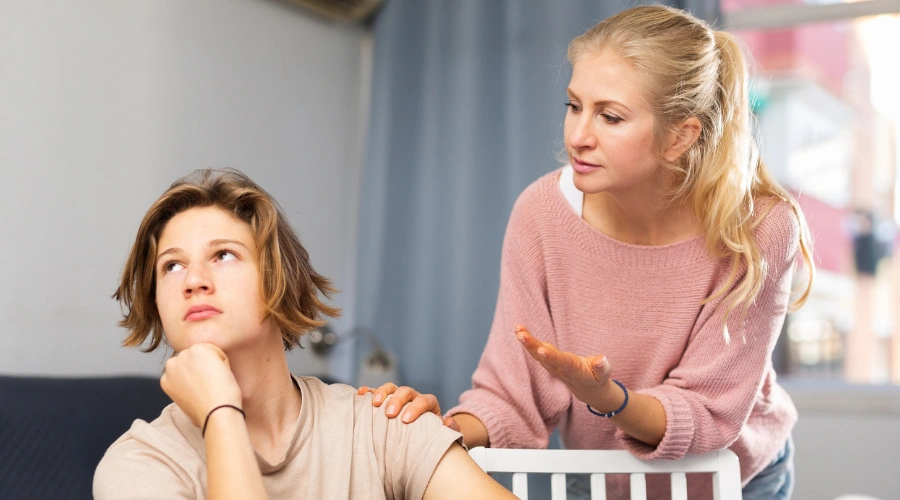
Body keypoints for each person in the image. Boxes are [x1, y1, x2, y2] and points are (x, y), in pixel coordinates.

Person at [360, 5, 814, 499]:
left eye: (610, 116)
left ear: (680, 137)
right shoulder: (541, 214)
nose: (578, 136)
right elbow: (512, 396)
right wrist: (432, 432)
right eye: (574, 106)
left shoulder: (760, 228)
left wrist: (607, 399)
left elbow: (708, 413)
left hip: (733, 478)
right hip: (603, 478)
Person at [93, 169, 514, 500]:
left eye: (223, 255)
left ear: (279, 279)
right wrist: (221, 413)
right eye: (172, 265)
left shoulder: (378, 425)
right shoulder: (137, 464)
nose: (193, 280)